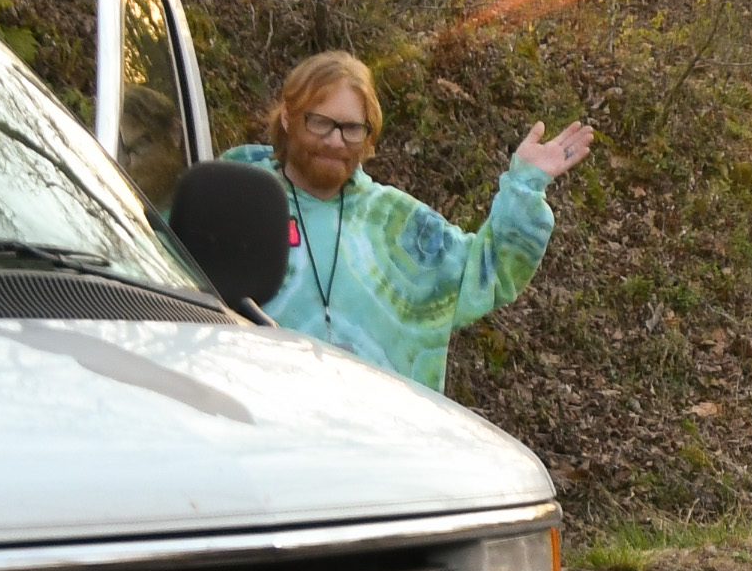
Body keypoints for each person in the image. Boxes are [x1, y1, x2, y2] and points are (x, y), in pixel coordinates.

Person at [222, 50, 594, 389]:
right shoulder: (233, 195)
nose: (336, 141)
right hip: (252, 426)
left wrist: (524, 188)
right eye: (320, 122)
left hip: (374, 443)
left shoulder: (395, 224)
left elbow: (483, 271)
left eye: (352, 128)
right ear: (288, 117)